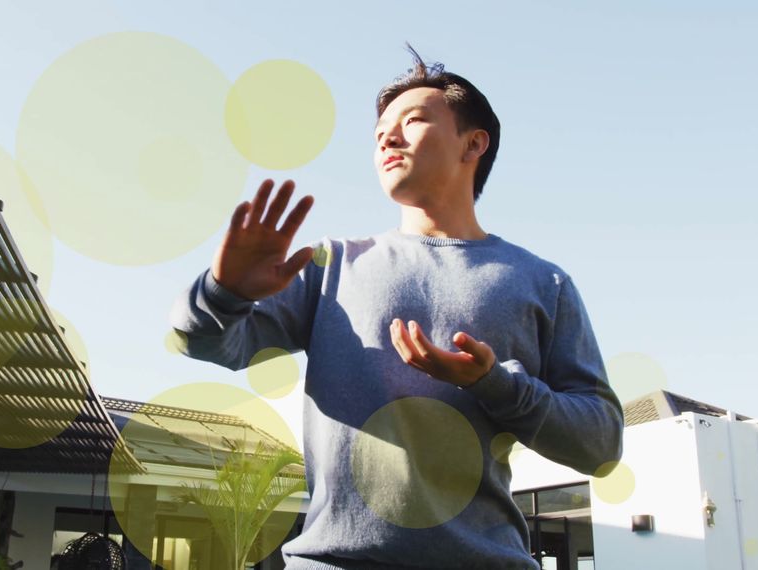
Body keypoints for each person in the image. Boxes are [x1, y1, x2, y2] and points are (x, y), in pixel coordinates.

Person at [169, 46, 624, 569]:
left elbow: (601, 445)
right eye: (380, 130)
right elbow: (199, 342)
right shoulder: (328, 265)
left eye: (414, 120)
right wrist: (225, 292)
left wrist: (494, 384)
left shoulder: (544, 283)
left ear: (473, 143)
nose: (387, 137)